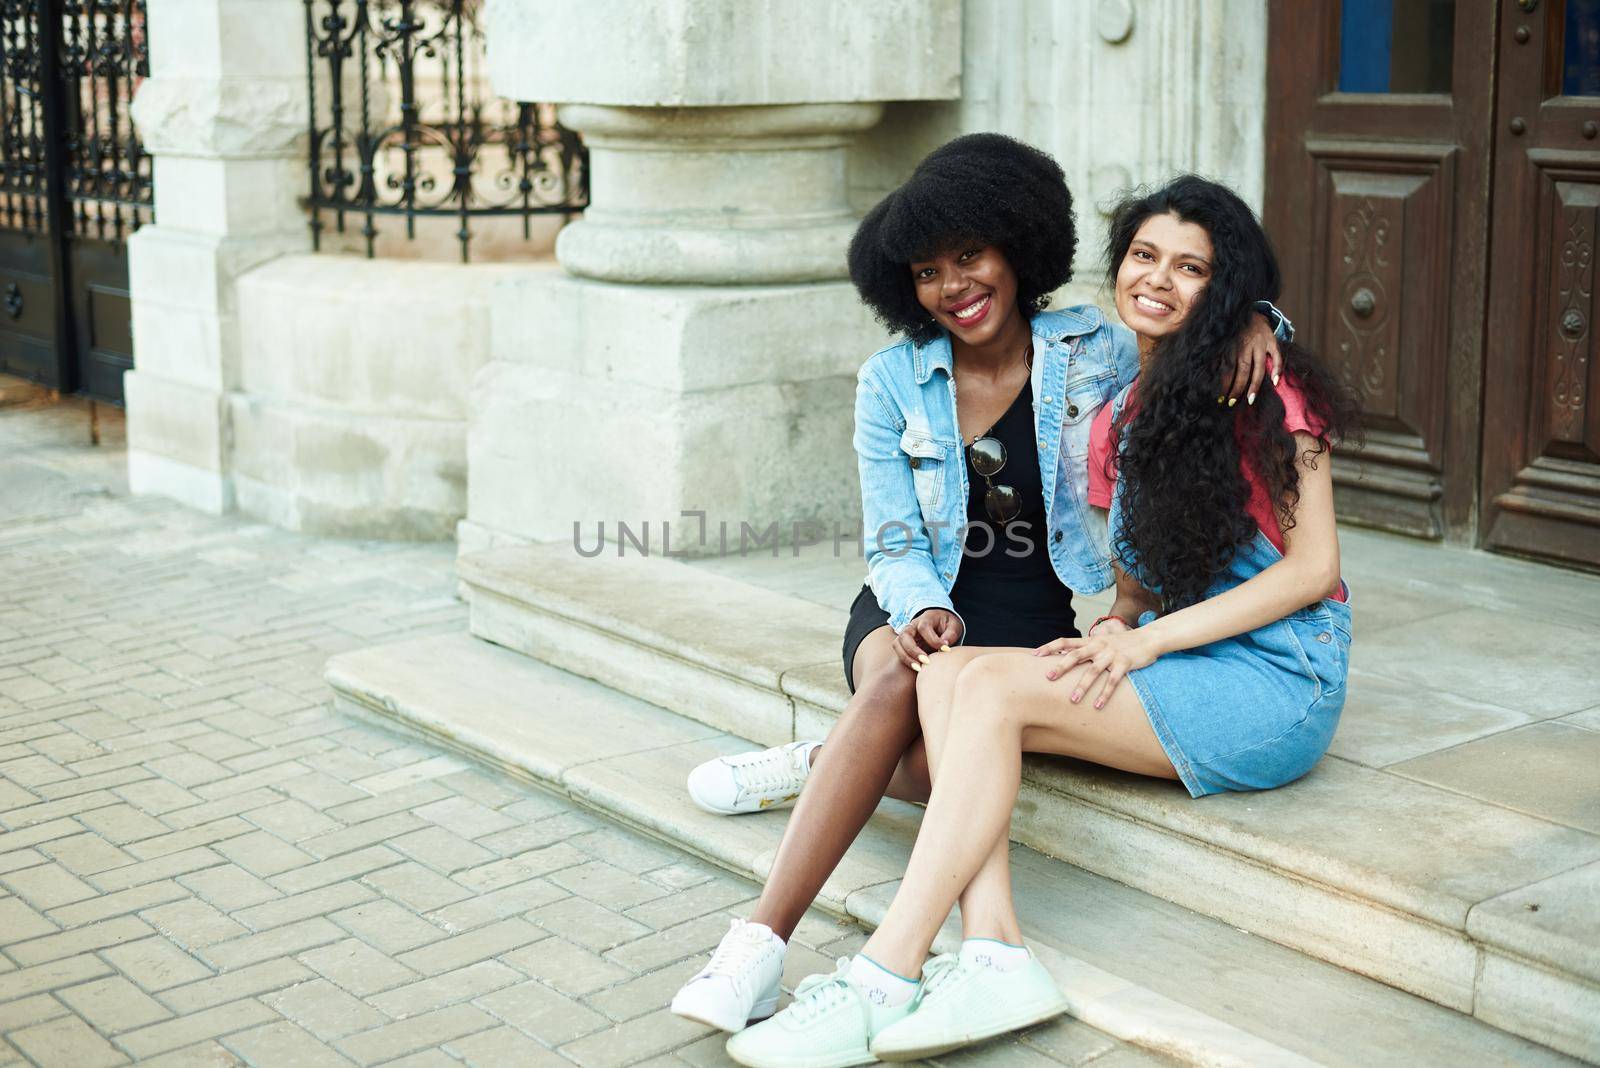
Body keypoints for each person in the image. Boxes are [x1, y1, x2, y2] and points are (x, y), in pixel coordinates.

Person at [724, 174, 1357, 1066]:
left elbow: (1313, 570)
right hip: (1178, 655)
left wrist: (1144, 641)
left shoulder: (1265, 391)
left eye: (1192, 268)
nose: (1158, 281)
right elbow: (1138, 581)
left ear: (1228, 287)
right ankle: (993, 952)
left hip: (1280, 679)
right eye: (1143, 256)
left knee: (981, 696)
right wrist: (1118, 626)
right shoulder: (1121, 414)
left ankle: (884, 970)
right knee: (950, 673)